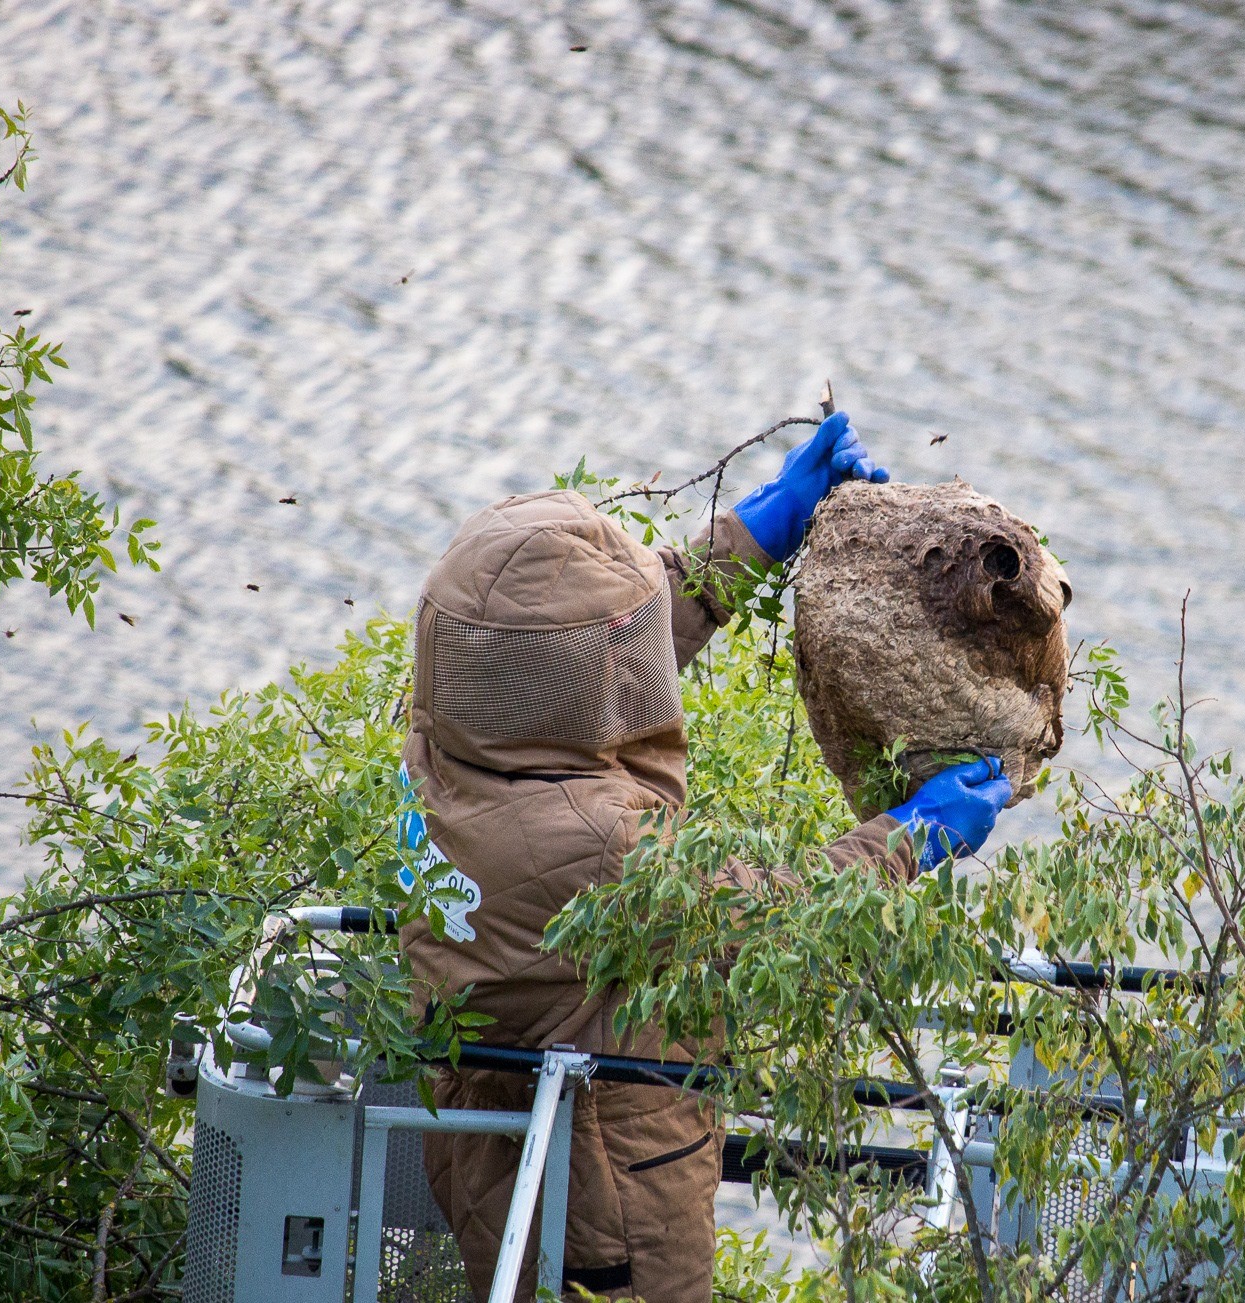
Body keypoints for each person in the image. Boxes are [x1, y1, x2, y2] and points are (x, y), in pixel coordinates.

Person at [398, 411, 1016, 1302]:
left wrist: (757, 532)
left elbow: (606, 641)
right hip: (607, 1206)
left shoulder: (446, 736)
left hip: (496, 1150)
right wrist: (910, 835)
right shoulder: (596, 845)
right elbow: (779, 918)